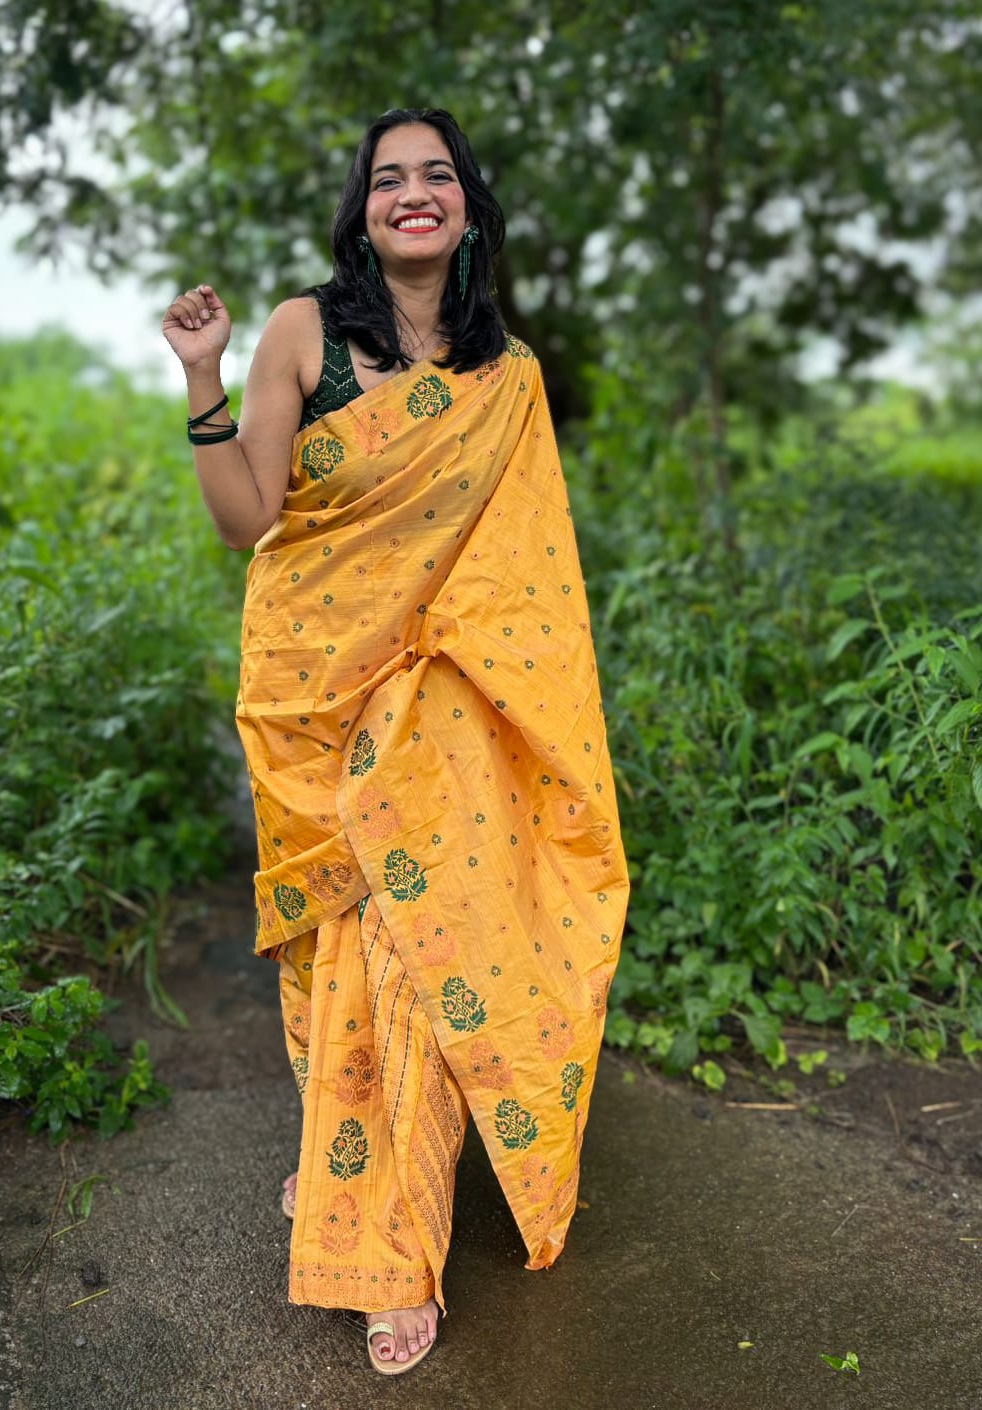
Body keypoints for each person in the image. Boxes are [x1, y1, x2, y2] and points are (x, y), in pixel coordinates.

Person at [162, 107, 629, 1376]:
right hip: (309, 688)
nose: (411, 194)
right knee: (332, 960)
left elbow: (528, 578)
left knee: (409, 953)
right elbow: (244, 519)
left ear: (468, 209)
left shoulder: (506, 378)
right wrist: (204, 377)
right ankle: (338, 1157)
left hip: (439, 708)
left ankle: (392, 1252)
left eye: (436, 177)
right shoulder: (302, 331)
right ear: (361, 209)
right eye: (388, 179)